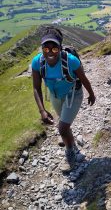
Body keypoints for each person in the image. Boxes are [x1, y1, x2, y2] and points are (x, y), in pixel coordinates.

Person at [32, 26, 96, 171]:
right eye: (46, 48)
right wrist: (42, 110)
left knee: (62, 127)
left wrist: (91, 94)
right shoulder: (37, 62)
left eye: (54, 49)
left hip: (74, 94)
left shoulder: (71, 60)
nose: (50, 52)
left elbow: (83, 78)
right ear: (42, 48)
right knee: (64, 126)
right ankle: (71, 142)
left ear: (60, 48)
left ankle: (70, 154)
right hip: (55, 96)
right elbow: (36, 87)